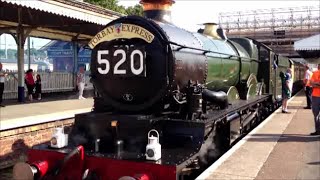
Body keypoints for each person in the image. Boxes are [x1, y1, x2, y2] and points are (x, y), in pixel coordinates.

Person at [309, 63, 320, 135]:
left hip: (315, 96)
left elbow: (312, 83)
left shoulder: (315, 73)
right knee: (316, 114)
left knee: (316, 114)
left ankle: (318, 130)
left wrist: (316, 84)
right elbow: (311, 83)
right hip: (315, 96)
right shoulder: (315, 73)